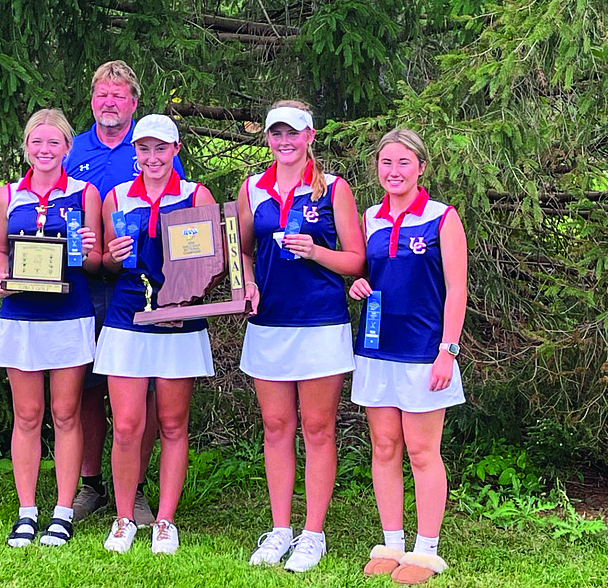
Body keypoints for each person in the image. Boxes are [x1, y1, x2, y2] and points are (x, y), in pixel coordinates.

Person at [236, 100, 365, 572]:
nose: (284, 141)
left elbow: (356, 260)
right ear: (267, 138)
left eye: (294, 133)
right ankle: (279, 529)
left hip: (320, 322)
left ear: (311, 136)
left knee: (317, 429)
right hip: (268, 323)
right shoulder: (252, 188)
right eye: (276, 134)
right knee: (275, 428)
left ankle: (313, 534)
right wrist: (246, 282)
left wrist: (315, 251)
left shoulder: (333, 188)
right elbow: (242, 251)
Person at [64, 61, 184, 526]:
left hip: (146, 287)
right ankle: (92, 484)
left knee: (150, 391)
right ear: (92, 100)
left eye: (118, 95)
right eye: (101, 95)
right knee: (90, 389)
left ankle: (134, 488)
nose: (108, 103)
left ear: (134, 102)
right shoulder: (73, 150)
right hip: (88, 281)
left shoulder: (152, 148)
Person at [349, 127, 467, 585]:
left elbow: (456, 290)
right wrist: (358, 285)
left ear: (421, 167)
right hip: (377, 348)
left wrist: (447, 351)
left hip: (424, 352)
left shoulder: (442, 218)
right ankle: (392, 542)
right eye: (386, 163)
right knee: (384, 448)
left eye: (403, 163)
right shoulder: (370, 217)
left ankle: (426, 549)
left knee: (421, 451)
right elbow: (366, 272)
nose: (393, 171)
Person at [93, 114, 215, 555]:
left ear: (176, 150)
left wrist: (184, 287)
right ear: (134, 153)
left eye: (161, 148)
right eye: (143, 149)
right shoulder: (117, 197)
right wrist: (110, 254)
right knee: (126, 426)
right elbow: (107, 264)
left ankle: (165, 520)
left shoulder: (194, 194)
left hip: (179, 321)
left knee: (171, 423)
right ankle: (124, 517)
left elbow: (207, 264)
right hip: (128, 318)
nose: (152, 157)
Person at [0, 109, 102, 548]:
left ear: (67, 149)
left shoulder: (84, 193)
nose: (45, 150)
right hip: (21, 316)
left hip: (68, 314)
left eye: (54, 143)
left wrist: (89, 250)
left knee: (66, 413)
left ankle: (62, 511)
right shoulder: (7, 196)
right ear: (26, 148)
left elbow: (92, 263)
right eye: (37, 143)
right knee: (27, 415)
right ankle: (26, 510)